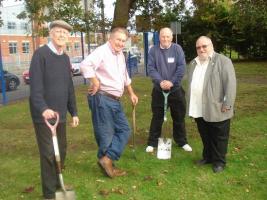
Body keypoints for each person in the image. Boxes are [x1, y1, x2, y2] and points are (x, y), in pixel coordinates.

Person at [29, 20, 79, 200]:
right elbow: (35, 87)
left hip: (60, 115)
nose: (61, 35)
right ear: (51, 33)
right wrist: (43, 109)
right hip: (43, 115)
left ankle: (59, 185)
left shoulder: (65, 57)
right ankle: (49, 194)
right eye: (58, 31)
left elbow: (69, 87)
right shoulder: (40, 55)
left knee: (62, 150)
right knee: (49, 153)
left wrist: (73, 112)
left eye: (65, 33)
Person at [80, 27, 138, 178]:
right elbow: (85, 65)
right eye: (118, 39)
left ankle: (107, 160)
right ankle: (108, 164)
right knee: (105, 135)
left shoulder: (120, 55)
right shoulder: (102, 51)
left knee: (124, 130)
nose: (120, 43)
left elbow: (124, 75)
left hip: (115, 100)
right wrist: (95, 82)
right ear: (110, 38)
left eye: (123, 41)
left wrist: (131, 92)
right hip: (102, 97)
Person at [187, 36, 236, 173]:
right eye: (198, 47)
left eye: (204, 46)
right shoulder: (193, 63)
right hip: (198, 107)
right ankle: (208, 157)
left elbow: (230, 85)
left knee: (219, 137)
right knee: (205, 134)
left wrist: (228, 104)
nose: (201, 49)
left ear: (211, 46)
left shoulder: (223, 61)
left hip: (218, 107)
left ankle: (219, 162)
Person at [146, 27, 192, 153]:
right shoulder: (153, 51)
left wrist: (171, 82)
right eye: (163, 36)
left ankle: (182, 141)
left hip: (176, 90)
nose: (165, 39)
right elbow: (151, 68)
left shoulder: (177, 49)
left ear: (171, 37)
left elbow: (181, 68)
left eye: (168, 36)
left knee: (179, 117)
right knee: (157, 117)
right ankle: (152, 142)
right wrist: (160, 82)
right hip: (158, 91)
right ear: (159, 37)